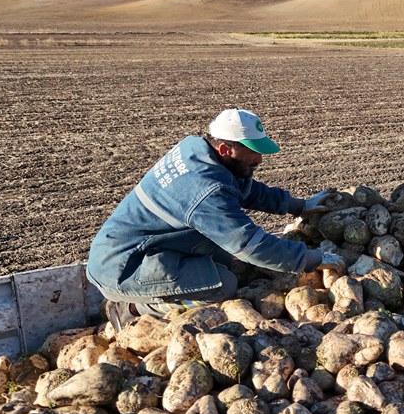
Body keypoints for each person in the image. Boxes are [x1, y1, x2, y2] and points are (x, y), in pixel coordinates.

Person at [86, 108, 342, 331]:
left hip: (138, 248)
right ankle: (131, 309)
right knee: (223, 285)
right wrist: (313, 259)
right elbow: (251, 245)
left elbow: (243, 189)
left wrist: (298, 206)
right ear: (225, 149)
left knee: (222, 259)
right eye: (253, 152)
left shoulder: (198, 151)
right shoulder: (205, 189)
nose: (260, 160)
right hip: (124, 266)